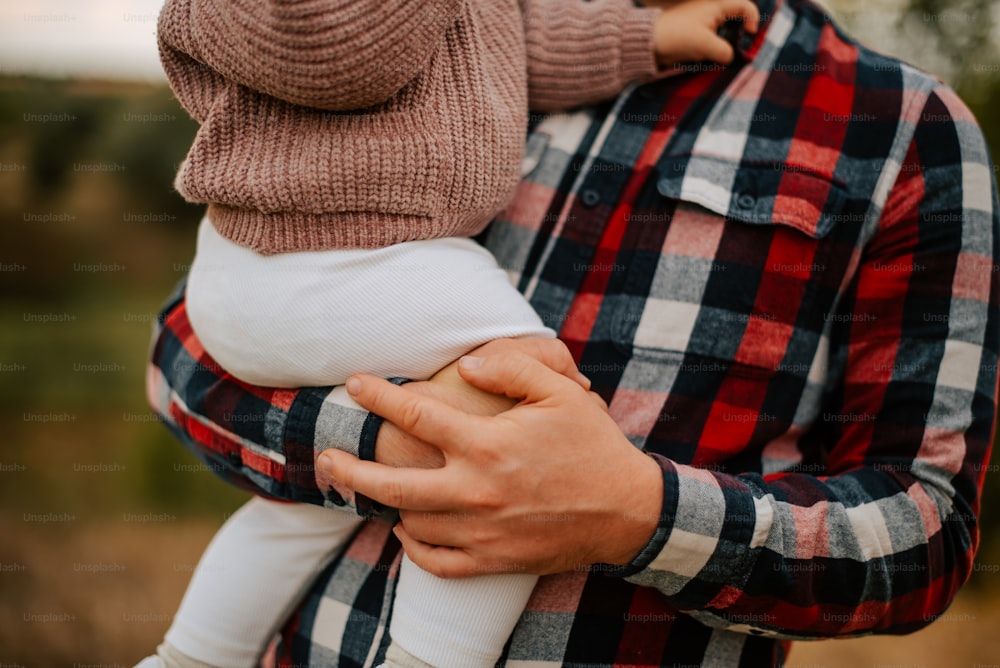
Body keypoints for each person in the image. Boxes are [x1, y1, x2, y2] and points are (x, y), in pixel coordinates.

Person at [145, 0, 1000, 665]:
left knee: (471, 413)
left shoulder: (906, 131)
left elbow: (927, 532)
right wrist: (387, 449)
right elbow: (183, 362)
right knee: (517, 383)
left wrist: (638, 514)